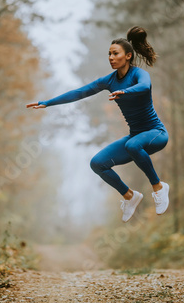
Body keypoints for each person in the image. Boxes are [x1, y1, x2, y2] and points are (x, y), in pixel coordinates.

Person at [26, 26, 169, 223]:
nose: (111, 57)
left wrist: (126, 92)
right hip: (134, 136)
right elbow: (79, 92)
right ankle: (129, 196)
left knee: (132, 145)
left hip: (155, 133)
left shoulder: (138, 75)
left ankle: (159, 187)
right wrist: (47, 103)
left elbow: (144, 87)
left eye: (115, 53)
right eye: (109, 54)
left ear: (128, 56)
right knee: (97, 163)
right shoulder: (109, 81)